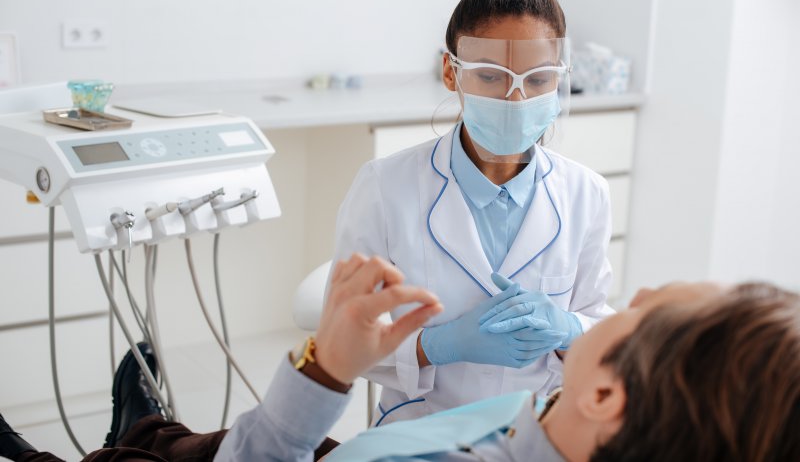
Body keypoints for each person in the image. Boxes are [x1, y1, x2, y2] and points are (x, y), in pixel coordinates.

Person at [4, 255, 800, 461]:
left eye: (639, 309)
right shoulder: (563, 419)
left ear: (608, 397)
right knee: (174, 439)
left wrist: (326, 367)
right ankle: (142, 425)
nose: (630, 295)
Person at [329, 0, 614, 424]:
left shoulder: (587, 193)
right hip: (419, 431)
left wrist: (568, 330)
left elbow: (599, 328)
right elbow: (341, 343)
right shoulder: (384, 187)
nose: (516, 99)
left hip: (536, 430)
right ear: (451, 72)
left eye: (538, 79)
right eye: (491, 76)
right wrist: (437, 345)